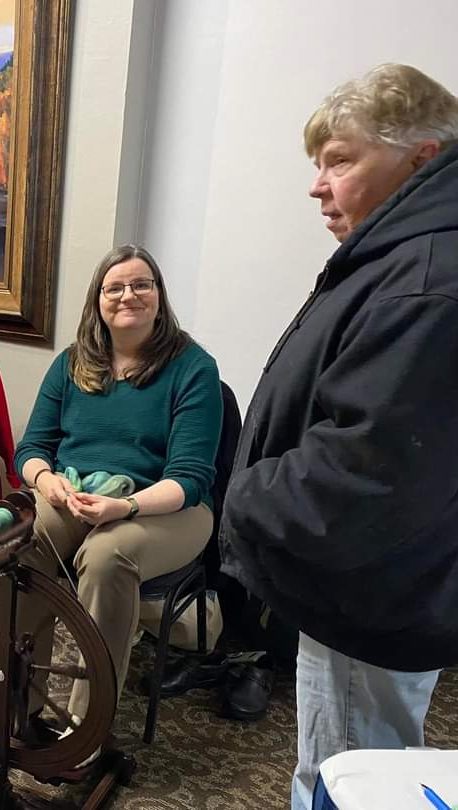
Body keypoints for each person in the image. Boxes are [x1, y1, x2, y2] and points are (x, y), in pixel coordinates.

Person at [218, 63, 458, 810]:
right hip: (374, 584)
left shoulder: (423, 280)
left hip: (368, 591)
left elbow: (365, 473)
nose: (318, 186)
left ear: (420, 157)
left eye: (339, 160)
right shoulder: (405, 258)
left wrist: (242, 495)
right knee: (345, 767)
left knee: (348, 781)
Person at [14, 244, 222, 750]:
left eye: (141, 284)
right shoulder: (71, 364)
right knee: (18, 542)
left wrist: (125, 508)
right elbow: (31, 449)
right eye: (115, 287)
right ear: (98, 300)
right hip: (78, 494)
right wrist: (48, 483)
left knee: (108, 555)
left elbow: (190, 478)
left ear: (158, 296)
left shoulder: (193, 368)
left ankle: (85, 728)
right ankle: (19, 703)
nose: (128, 295)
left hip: (169, 507)